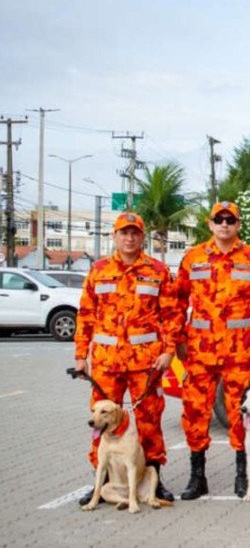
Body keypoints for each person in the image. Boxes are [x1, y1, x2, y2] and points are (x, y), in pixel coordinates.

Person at [175, 201, 250, 500]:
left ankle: (244, 477)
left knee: (242, 415)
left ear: (238, 225)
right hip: (200, 353)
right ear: (209, 223)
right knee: (195, 413)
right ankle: (197, 477)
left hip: (239, 353)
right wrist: (176, 339)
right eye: (219, 219)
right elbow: (174, 302)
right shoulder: (193, 258)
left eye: (230, 219)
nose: (224, 224)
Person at [74, 212, 182, 506]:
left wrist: (168, 350)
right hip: (107, 365)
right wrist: (81, 356)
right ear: (115, 236)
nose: (129, 238)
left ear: (142, 237)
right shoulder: (98, 271)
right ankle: (103, 481)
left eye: (135, 233)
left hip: (146, 364)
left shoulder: (158, 271)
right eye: (124, 232)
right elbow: (85, 315)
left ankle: (153, 480)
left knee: (149, 421)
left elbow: (172, 315)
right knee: (102, 422)